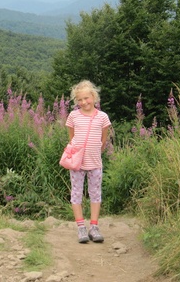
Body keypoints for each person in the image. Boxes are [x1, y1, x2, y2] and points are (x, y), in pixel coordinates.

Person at [65, 80, 112, 243]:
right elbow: (72, 139)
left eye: (86, 98)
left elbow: (103, 141)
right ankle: (81, 228)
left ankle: (94, 227)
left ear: (94, 96)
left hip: (95, 163)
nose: (84, 102)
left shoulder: (103, 117)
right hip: (77, 163)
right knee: (76, 193)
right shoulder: (73, 116)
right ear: (76, 101)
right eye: (80, 100)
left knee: (95, 193)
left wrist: (95, 153)